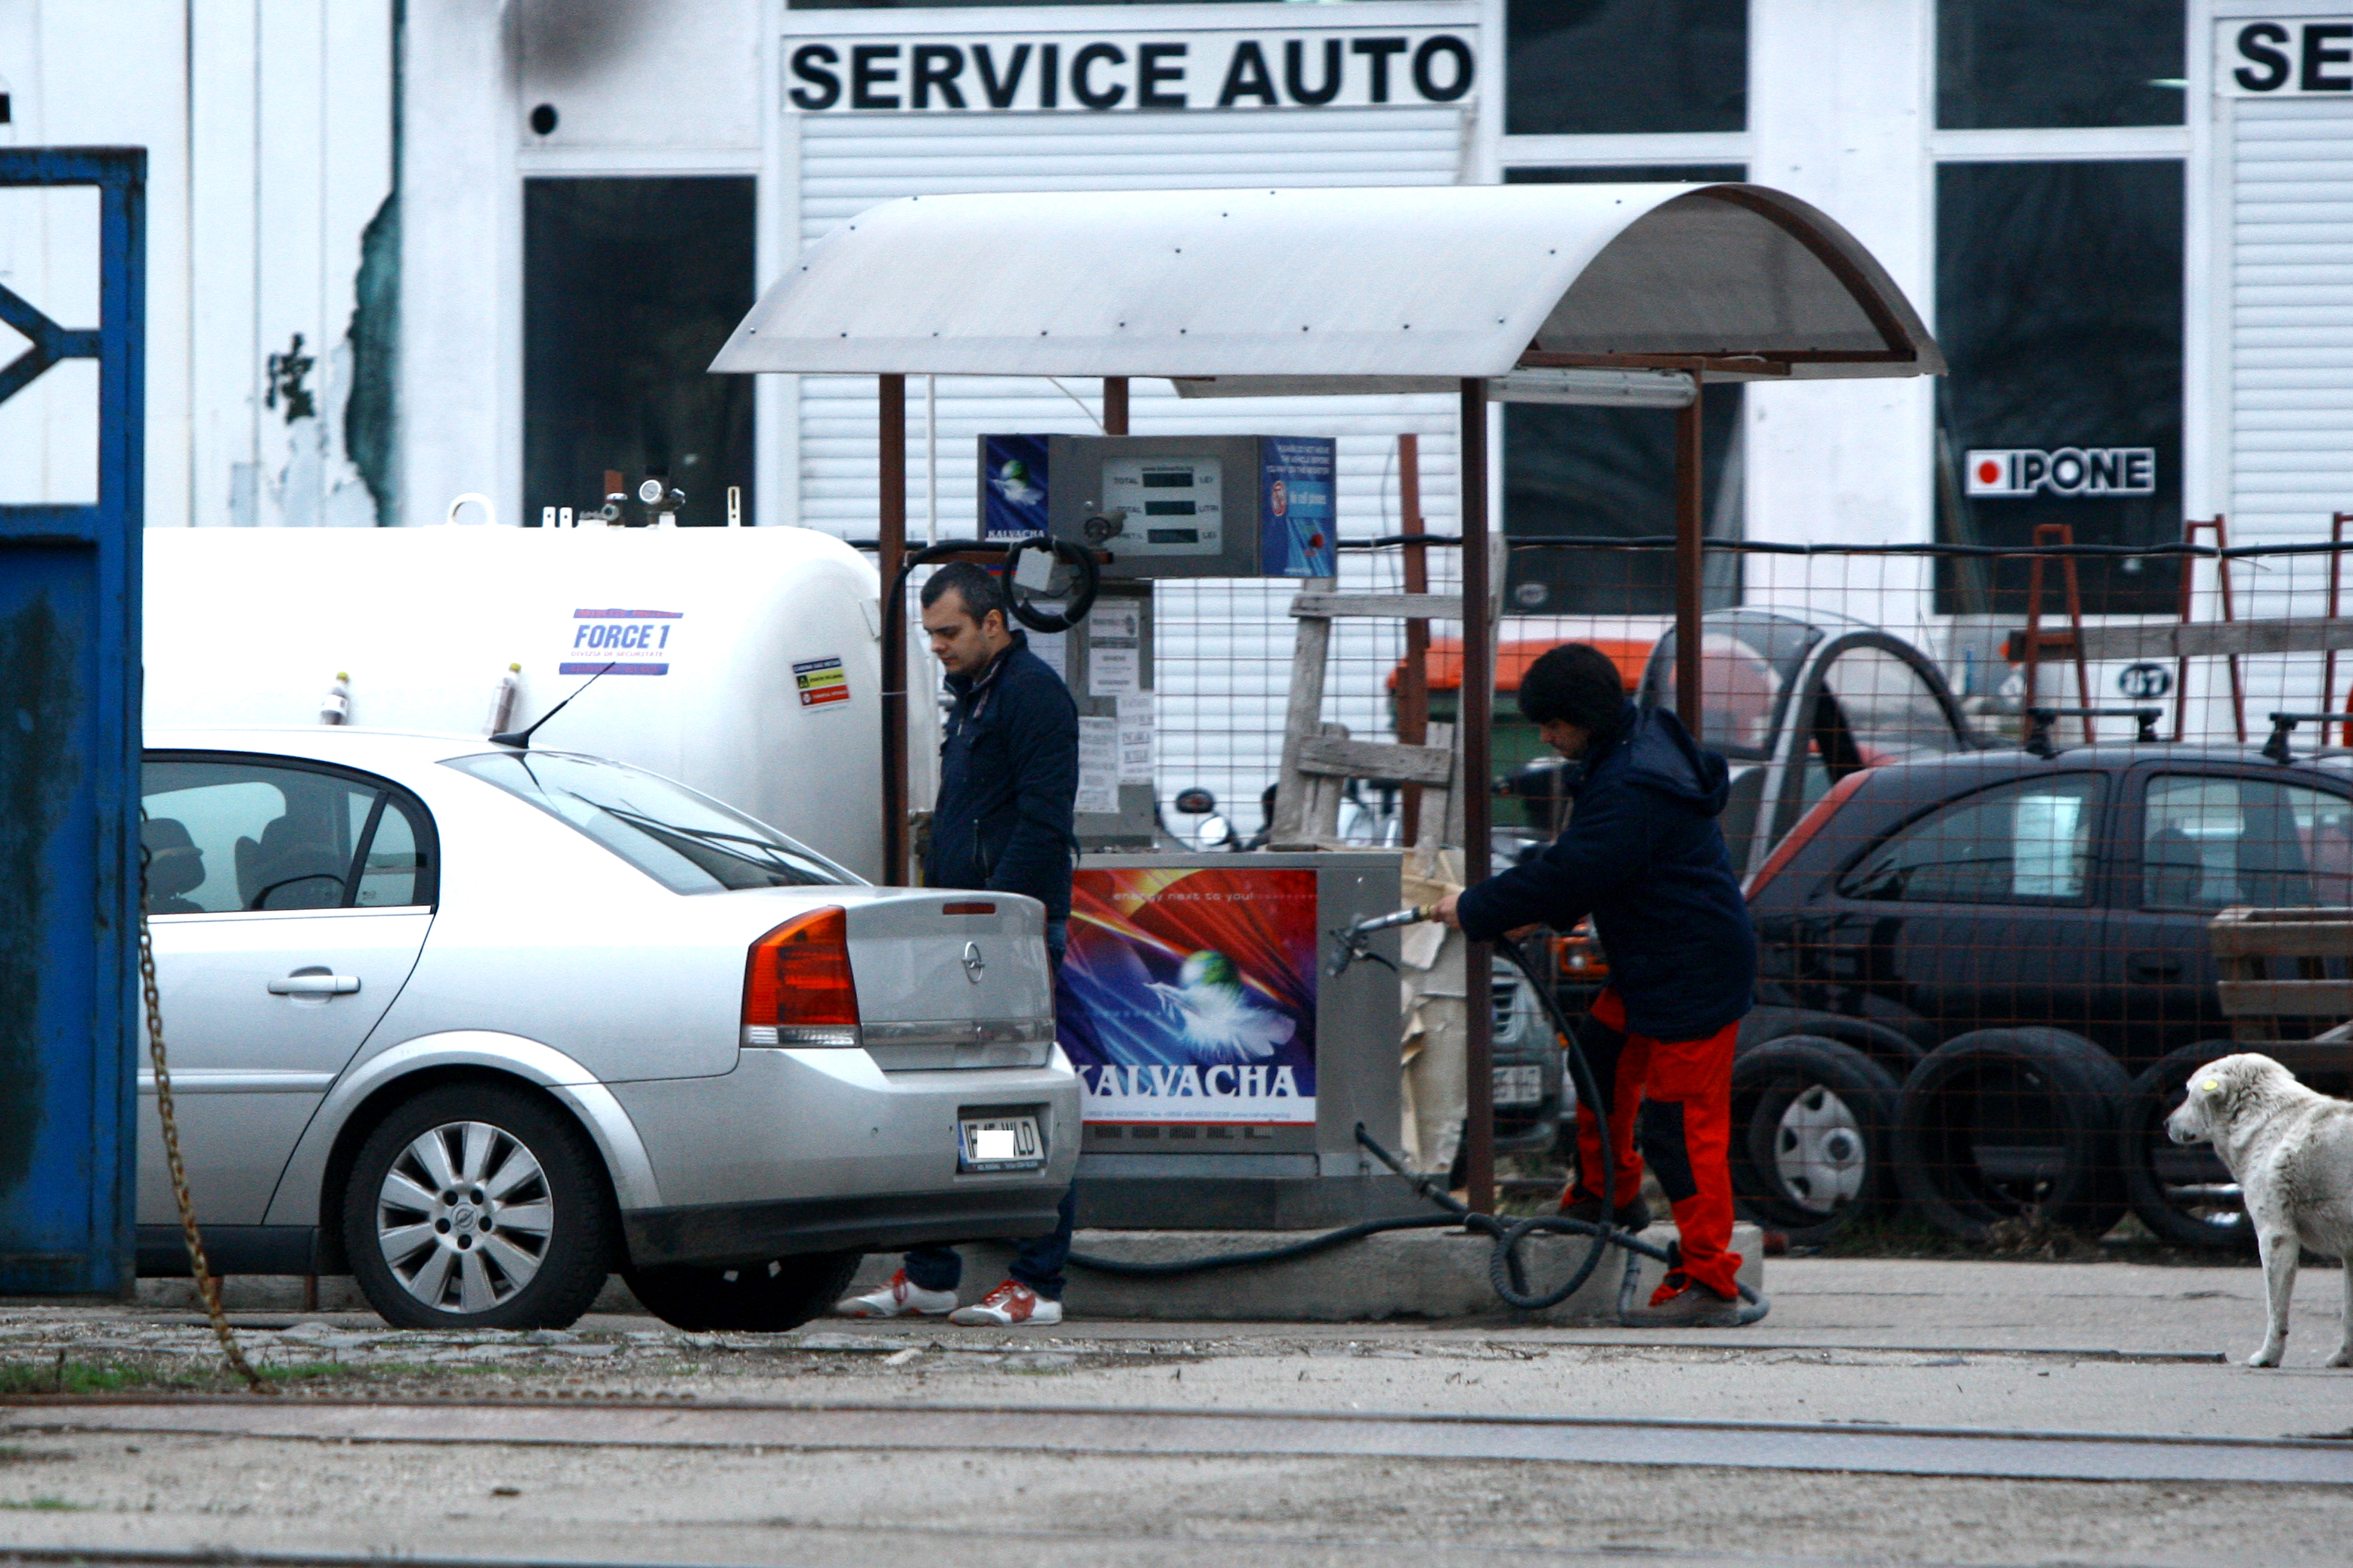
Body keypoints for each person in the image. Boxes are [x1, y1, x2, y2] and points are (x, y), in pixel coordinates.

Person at [1434, 642, 1757, 1328]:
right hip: (1656, 963)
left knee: (1680, 1128)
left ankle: (1709, 1281)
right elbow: (1605, 868)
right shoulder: (1627, 750)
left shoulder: (1630, 783)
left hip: (1692, 975)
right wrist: (1536, 910)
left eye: (1552, 724)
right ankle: (1605, 1194)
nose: (1546, 737)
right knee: (1600, 1057)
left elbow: (1573, 869)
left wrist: (1474, 907)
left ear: (1582, 717)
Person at [837, 560, 1081, 1328]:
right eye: (929, 632)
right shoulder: (975, 696)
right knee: (946, 1097)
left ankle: (1037, 1284)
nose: (935, 646)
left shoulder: (1031, 695)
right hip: (969, 928)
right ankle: (933, 1272)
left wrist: (996, 919)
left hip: (1004, 931)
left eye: (947, 632)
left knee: (1027, 1098)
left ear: (993, 623)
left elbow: (1044, 821)